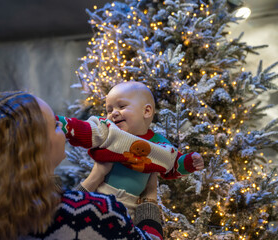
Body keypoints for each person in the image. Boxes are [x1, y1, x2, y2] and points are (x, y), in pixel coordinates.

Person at [0, 91, 164, 240]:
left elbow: (62, 212)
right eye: (56, 125)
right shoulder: (99, 211)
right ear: (36, 146)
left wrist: (94, 178)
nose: (65, 129)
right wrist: (150, 198)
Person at [57, 81, 204, 218]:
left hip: (132, 209)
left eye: (121, 107)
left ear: (146, 111)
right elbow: (87, 130)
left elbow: (172, 164)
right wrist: (62, 124)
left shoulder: (159, 144)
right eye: (109, 109)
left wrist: (190, 163)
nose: (113, 113)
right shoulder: (109, 130)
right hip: (99, 197)